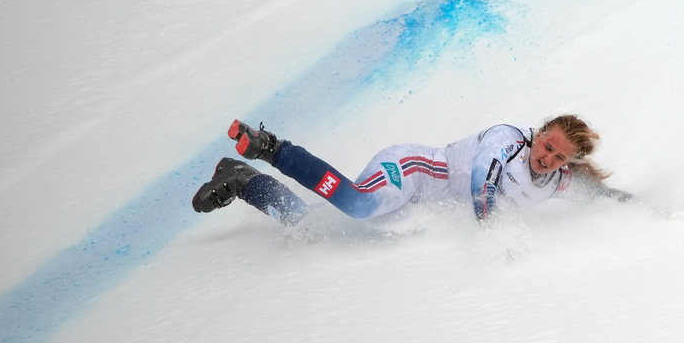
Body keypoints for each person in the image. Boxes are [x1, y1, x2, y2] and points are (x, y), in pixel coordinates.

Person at [191, 115, 631, 225]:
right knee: (357, 205)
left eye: (559, 158)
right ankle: (272, 148)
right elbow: (483, 181)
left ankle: (245, 181)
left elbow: (597, 195)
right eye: (548, 146)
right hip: (414, 171)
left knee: (315, 229)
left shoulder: (560, 178)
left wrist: (649, 210)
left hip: (420, 208)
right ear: (541, 132)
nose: (548, 158)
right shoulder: (509, 139)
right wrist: (495, 232)